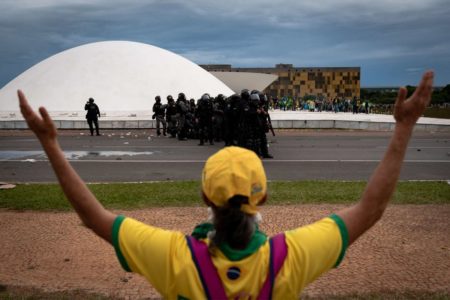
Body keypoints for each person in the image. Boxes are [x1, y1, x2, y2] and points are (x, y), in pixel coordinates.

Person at [17, 71, 434, 299]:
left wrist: (51, 145)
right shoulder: (289, 258)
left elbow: (94, 218)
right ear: (264, 195)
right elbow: (370, 210)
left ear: (204, 196)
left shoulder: (173, 258)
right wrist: (403, 128)